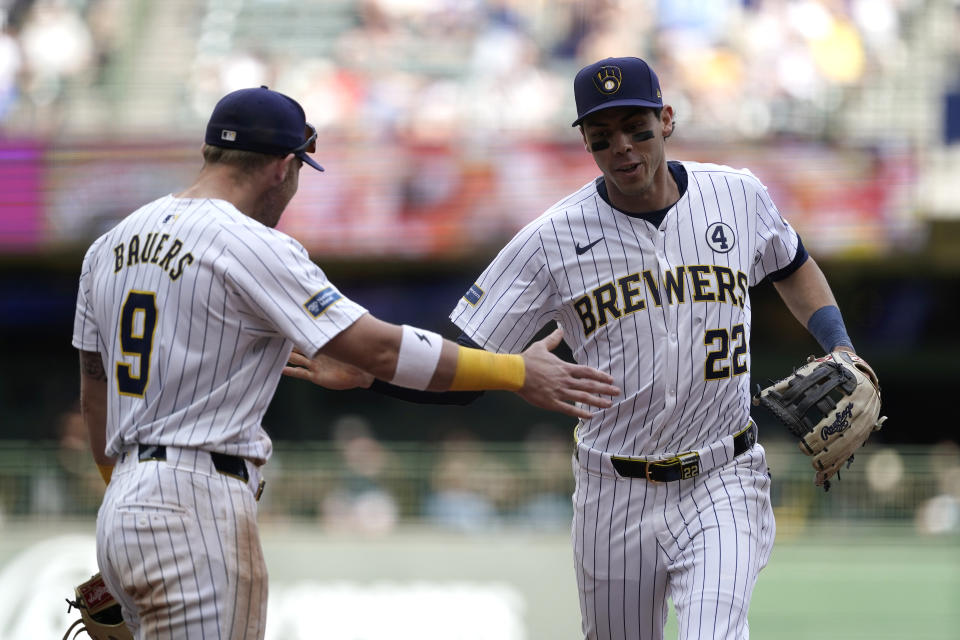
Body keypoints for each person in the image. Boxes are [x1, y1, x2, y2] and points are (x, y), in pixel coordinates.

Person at [286, 56, 878, 640]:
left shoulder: (737, 195)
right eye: (602, 137)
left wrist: (840, 347)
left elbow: (793, 266)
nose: (622, 148)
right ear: (586, 143)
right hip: (613, 491)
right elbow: (465, 356)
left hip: (722, 475)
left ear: (666, 120)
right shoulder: (551, 240)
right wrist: (376, 373)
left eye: (637, 130)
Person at [71, 85, 619, 640]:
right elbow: (381, 349)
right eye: (299, 170)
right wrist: (516, 372)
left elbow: (96, 396)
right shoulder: (249, 242)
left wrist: (131, 500)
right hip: (195, 502)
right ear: (283, 166)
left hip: (122, 503)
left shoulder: (108, 246)